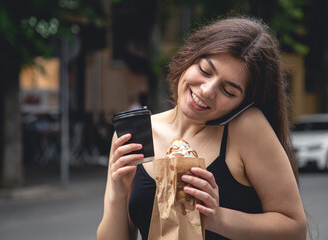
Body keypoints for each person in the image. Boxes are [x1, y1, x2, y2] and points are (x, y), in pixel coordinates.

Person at [97, 16, 307, 240]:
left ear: (243, 102)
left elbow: (295, 228)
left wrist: (219, 219)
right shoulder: (136, 133)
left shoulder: (246, 128)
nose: (207, 90)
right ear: (189, 56)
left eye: (228, 91)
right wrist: (117, 196)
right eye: (205, 71)